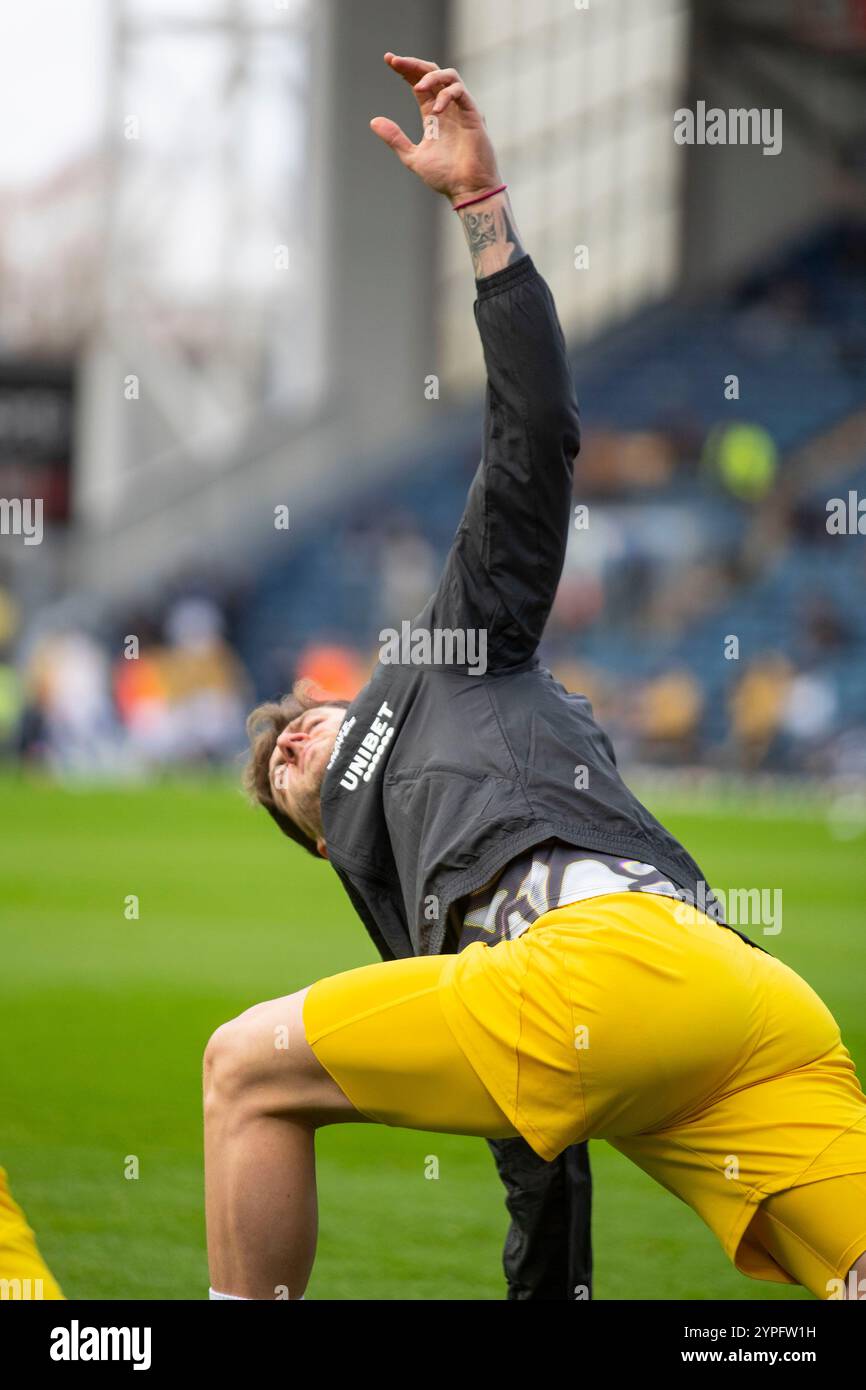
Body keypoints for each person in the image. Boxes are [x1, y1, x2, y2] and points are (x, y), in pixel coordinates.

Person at [204, 54, 866, 1303]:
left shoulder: (441, 659)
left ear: (359, 706)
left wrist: (482, 214)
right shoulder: (416, 911)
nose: (286, 743)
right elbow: (538, 1163)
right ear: (320, 838)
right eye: (274, 772)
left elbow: (531, 442)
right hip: (739, 1008)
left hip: (627, 963)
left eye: (296, 725)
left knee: (240, 1069)